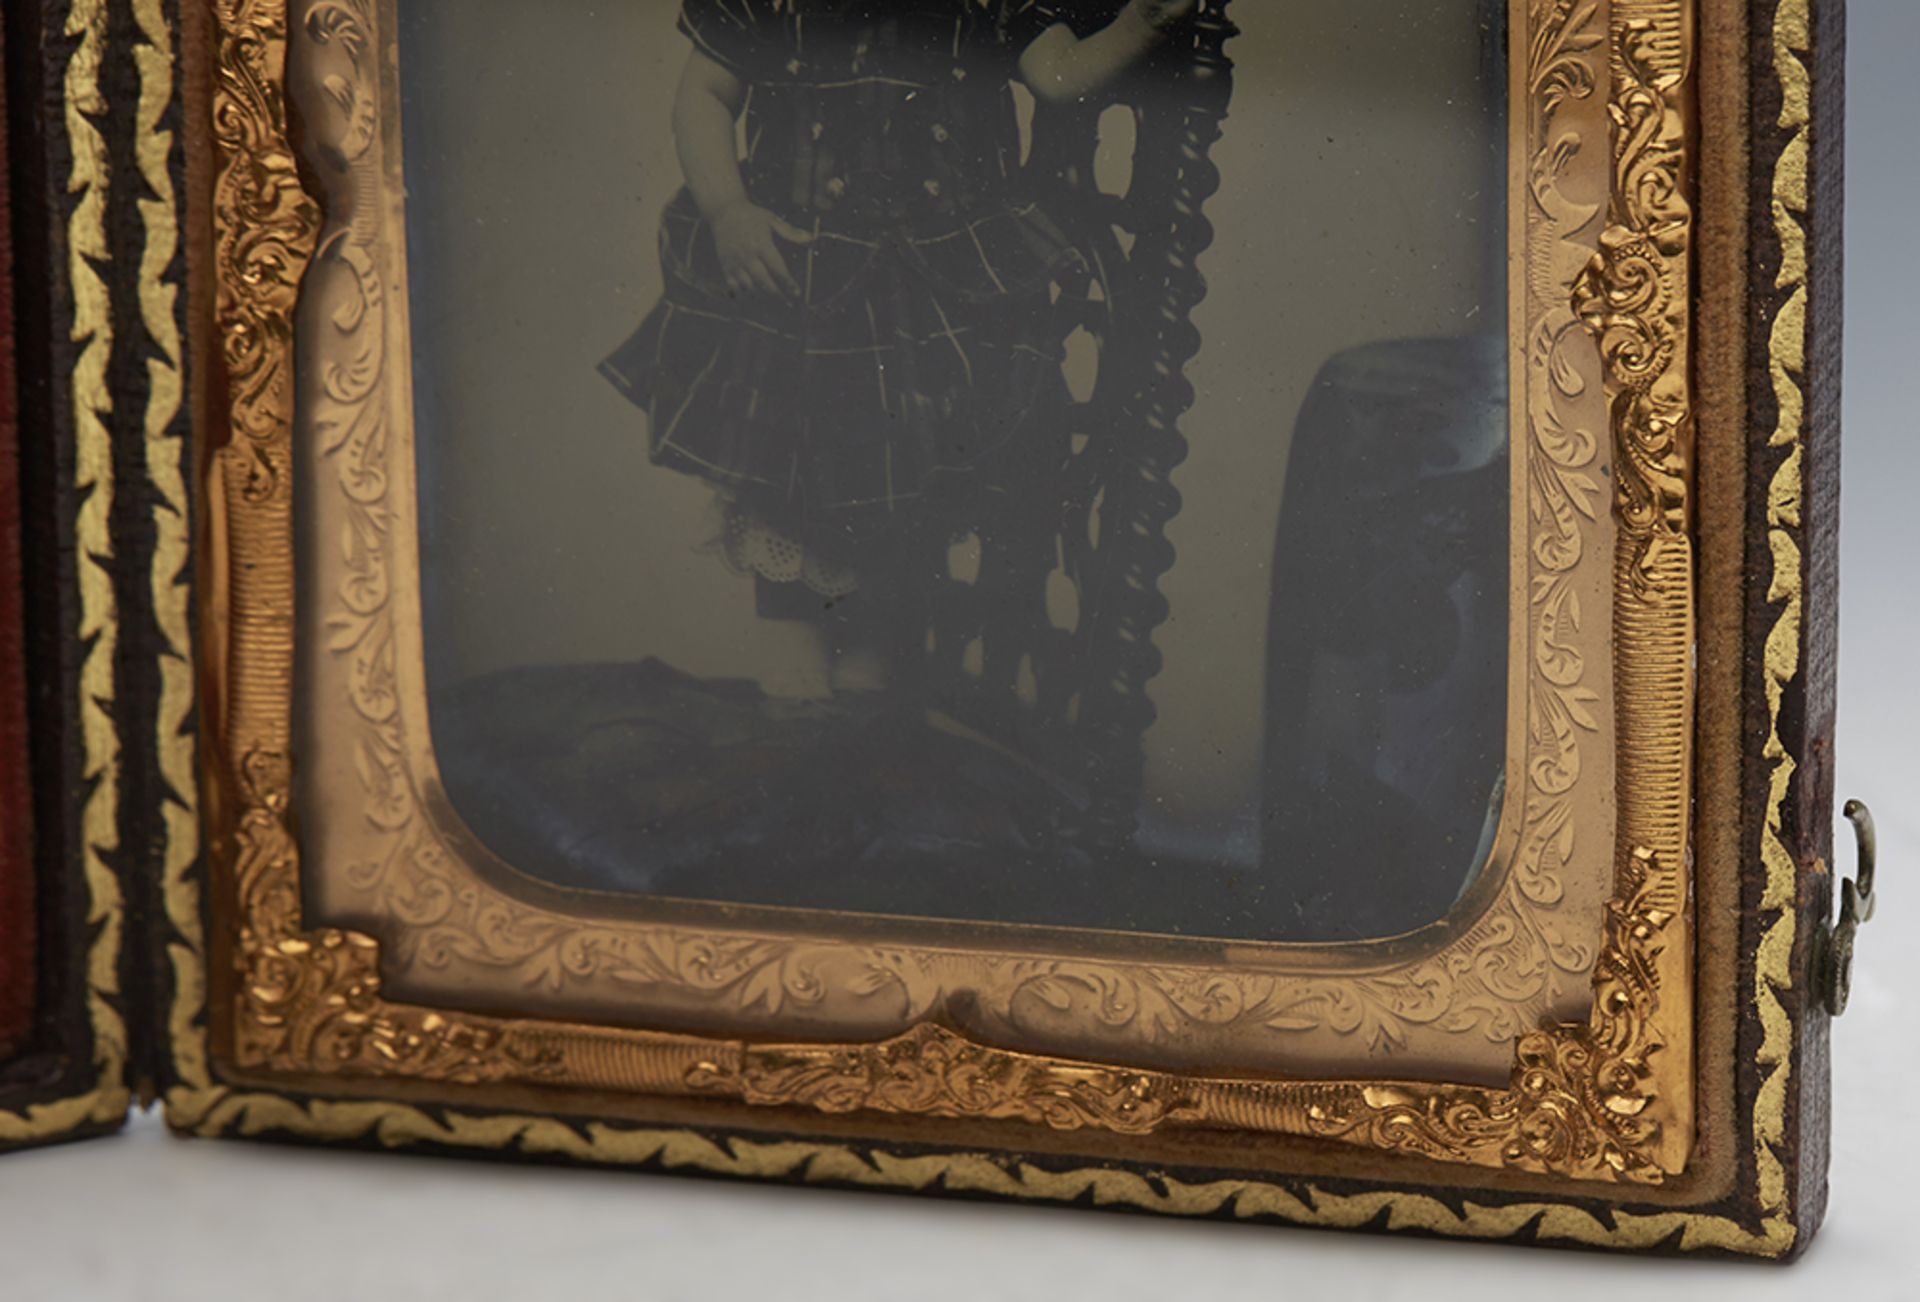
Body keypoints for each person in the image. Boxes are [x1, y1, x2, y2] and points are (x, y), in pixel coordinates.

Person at [601, 0, 1197, 696]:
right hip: (803, 274)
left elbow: (1060, 74)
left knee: (903, 502)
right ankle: (796, 689)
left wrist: (1139, 26)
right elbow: (705, 91)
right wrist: (728, 209)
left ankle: (868, 697)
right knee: (789, 482)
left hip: (926, 288)